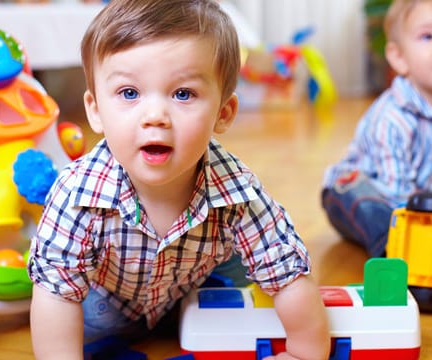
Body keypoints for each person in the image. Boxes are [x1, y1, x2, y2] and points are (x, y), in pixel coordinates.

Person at [28, 0, 330, 359]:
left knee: (244, 303)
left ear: (223, 113)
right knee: (69, 316)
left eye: (183, 94)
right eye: (129, 93)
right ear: (95, 110)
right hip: (107, 305)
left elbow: (288, 273)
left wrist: (304, 352)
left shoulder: (239, 190)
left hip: (199, 292)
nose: (155, 116)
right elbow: (56, 294)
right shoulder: (76, 193)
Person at [321, 0, 432, 258]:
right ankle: (392, 252)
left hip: (418, 200)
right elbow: (396, 194)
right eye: (428, 36)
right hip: (359, 190)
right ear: (398, 57)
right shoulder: (392, 117)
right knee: (371, 207)